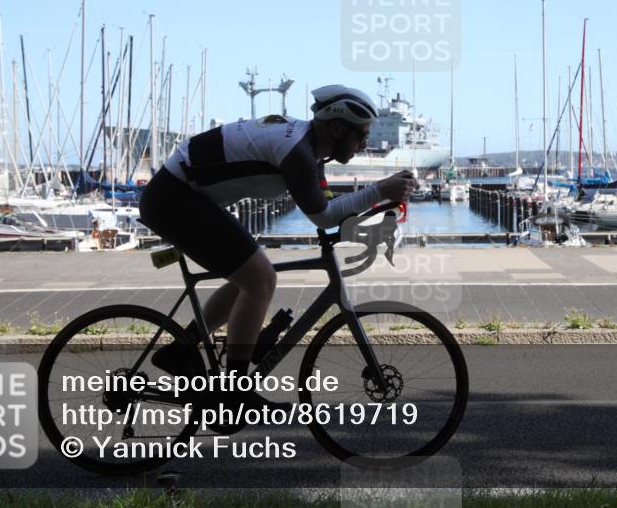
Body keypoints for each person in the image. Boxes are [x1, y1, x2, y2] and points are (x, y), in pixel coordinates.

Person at [137, 84, 417, 409]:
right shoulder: (297, 153)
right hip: (174, 199)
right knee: (261, 279)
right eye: (361, 136)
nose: (365, 144)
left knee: (251, 275)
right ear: (338, 128)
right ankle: (235, 392)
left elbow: (328, 205)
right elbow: (324, 217)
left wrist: (380, 207)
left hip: (185, 196)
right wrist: (380, 189)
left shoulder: (310, 150)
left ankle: (181, 349)